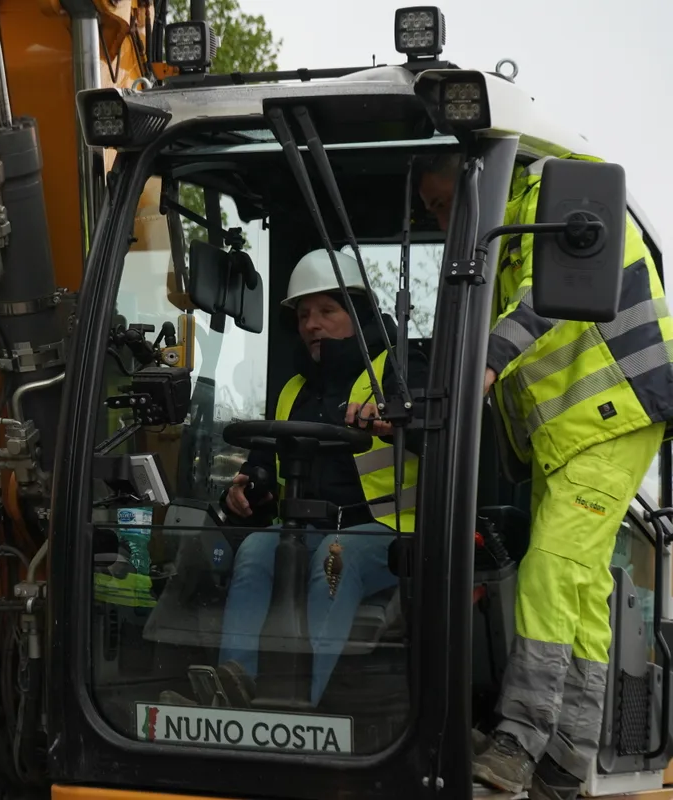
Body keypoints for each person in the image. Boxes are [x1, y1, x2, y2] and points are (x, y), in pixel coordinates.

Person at [420, 153, 673, 799]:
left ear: (470, 171)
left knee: (551, 570)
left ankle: (518, 739)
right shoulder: (499, 248)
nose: (438, 217)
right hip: (566, 433)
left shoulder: (561, 201)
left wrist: (485, 362)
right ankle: (566, 757)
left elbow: (547, 302)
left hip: (616, 415)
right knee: (583, 591)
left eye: (440, 201)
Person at [209, 247, 428, 709]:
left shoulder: (401, 371)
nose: (312, 324)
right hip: (303, 527)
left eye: (327, 311)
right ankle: (235, 685)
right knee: (254, 548)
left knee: (336, 559)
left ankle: (298, 708)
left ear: (359, 314)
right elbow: (265, 460)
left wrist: (397, 420)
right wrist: (249, 487)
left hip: (390, 529)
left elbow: (442, 431)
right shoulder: (294, 388)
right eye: (305, 314)